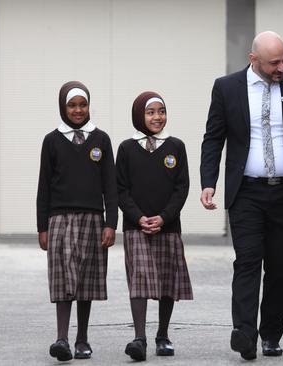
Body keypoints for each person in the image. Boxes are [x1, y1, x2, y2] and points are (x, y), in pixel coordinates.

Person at [199, 30, 283, 360]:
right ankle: (245, 333)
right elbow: (213, 138)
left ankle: (271, 334)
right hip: (246, 192)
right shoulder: (227, 88)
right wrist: (208, 181)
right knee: (248, 262)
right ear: (254, 59)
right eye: (274, 62)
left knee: (279, 267)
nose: (281, 67)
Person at [36, 81, 118, 361]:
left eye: (82, 104)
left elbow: (111, 185)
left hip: (93, 219)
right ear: (63, 107)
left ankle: (82, 338)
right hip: (59, 218)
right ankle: (62, 338)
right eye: (72, 105)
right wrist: (42, 227)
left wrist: (111, 222)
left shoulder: (101, 140)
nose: (78, 110)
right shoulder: (52, 140)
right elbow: (44, 186)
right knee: (63, 278)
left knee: (86, 280)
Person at [116, 91, 193, 361]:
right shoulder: (126, 148)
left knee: (166, 281)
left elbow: (182, 187)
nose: (157, 117)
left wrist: (164, 217)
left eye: (161, 111)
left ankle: (163, 335)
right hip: (136, 227)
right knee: (139, 279)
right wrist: (139, 218)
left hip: (167, 226)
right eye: (150, 112)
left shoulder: (175, 146)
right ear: (139, 115)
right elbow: (121, 190)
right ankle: (139, 337)